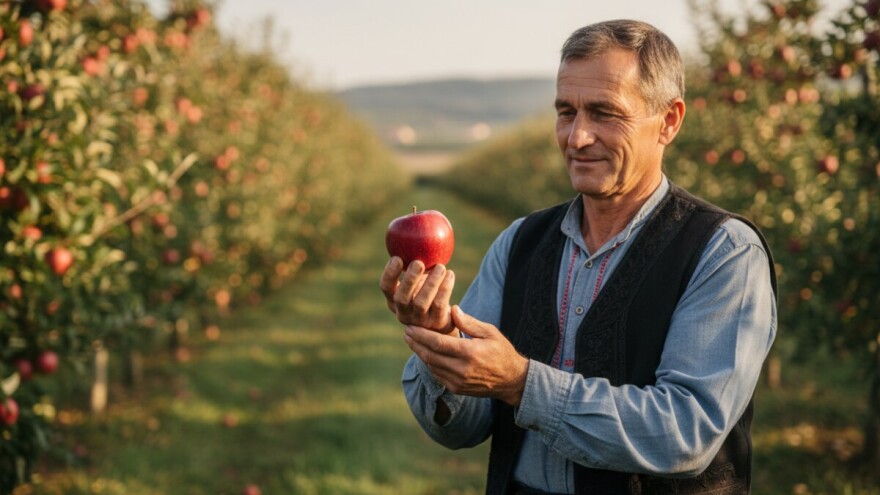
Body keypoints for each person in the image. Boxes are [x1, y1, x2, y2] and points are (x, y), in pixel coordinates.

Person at [379, 19, 777, 495]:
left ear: (668, 121)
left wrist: (522, 384)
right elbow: (461, 429)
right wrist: (439, 338)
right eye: (566, 111)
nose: (578, 136)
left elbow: (684, 433)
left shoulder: (722, 253)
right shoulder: (520, 242)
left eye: (605, 113)